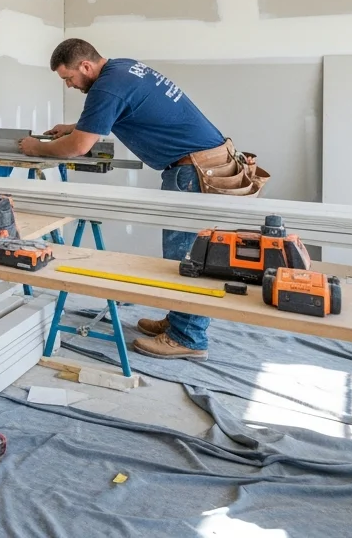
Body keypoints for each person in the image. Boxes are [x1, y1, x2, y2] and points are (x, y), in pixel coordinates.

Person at [16, 38, 228, 361]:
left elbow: (79, 148)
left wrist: (37, 148)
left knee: (185, 256)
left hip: (195, 172)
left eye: (68, 78)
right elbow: (114, 115)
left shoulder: (107, 87)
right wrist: (75, 127)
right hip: (201, 163)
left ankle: (189, 337)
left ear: (85, 67)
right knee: (182, 252)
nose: (70, 86)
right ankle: (181, 321)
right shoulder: (121, 69)